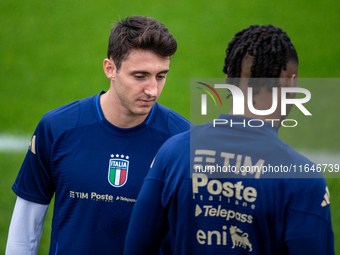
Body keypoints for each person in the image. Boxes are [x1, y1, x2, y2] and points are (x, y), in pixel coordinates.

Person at [124, 25, 335, 254]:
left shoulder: (173, 152)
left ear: (228, 78)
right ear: (291, 84)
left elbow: (137, 248)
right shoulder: (304, 178)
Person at [5, 15, 190, 255]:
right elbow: (25, 229)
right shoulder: (58, 128)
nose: (152, 90)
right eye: (140, 76)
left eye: (161, 76)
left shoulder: (184, 140)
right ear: (110, 69)